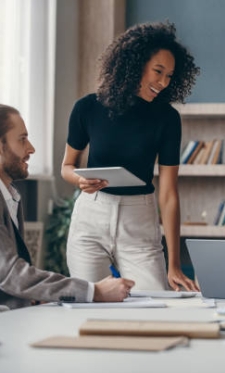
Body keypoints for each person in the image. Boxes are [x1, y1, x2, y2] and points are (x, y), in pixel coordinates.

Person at [61, 20, 200, 291]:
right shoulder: (87, 108)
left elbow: (169, 193)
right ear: (134, 63)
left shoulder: (167, 118)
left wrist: (174, 264)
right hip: (91, 217)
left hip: (139, 221)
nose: (162, 82)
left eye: (169, 76)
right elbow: (67, 166)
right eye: (158, 71)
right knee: (92, 304)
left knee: (154, 304)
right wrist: (79, 181)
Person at [0, 104, 135, 310]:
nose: (31, 149)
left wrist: (37, 296)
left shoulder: (9, 197)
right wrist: (94, 292)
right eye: (22, 139)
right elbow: (10, 274)